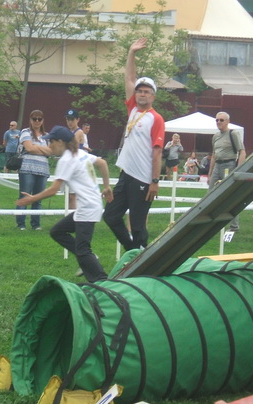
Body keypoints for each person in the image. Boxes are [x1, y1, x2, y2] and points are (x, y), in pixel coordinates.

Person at [16, 126, 113, 282]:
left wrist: (32, 199)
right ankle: (89, 260)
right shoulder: (80, 153)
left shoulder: (66, 160)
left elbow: (54, 189)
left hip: (88, 208)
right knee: (57, 232)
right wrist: (107, 186)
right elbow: (102, 163)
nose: (49, 146)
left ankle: (102, 281)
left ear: (60, 142)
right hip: (90, 206)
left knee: (83, 250)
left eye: (51, 142)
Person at [103, 38, 164, 251]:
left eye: (146, 91)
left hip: (143, 179)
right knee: (110, 216)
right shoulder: (133, 109)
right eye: (139, 91)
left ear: (153, 96)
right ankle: (132, 252)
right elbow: (129, 78)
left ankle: (142, 260)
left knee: (138, 225)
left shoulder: (156, 118)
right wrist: (131, 53)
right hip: (126, 174)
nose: (142, 94)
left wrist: (154, 182)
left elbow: (157, 153)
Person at [208, 111, 246, 231]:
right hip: (217, 166)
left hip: (229, 165)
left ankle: (234, 225)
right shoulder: (215, 136)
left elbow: (242, 151)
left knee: (229, 196)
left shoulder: (233, 134)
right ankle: (210, 222)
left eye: (221, 120)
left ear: (228, 121)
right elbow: (214, 155)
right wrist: (209, 173)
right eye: (217, 120)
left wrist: (238, 170)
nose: (218, 122)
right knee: (210, 195)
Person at [16, 110, 51, 231]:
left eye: (39, 119)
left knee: (38, 198)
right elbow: (29, 148)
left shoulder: (47, 136)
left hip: (43, 170)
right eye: (34, 119)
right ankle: (21, 224)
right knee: (24, 196)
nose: (37, 121)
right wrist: (42, 149)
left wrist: (36, 147)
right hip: (27, 168)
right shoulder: (25, 132)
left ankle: (36, 224)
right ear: (30, 120)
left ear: (43, 121)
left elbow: (51, 151)